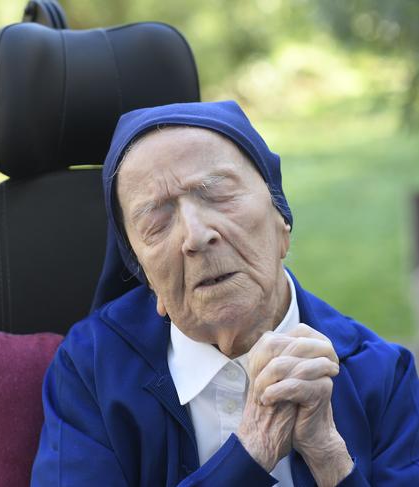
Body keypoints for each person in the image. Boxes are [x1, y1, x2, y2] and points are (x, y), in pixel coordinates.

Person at [31, 101, 419, 486]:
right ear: (144, 274)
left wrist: (330, 458)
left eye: (217, 194)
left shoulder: (381, 374)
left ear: (281, 219)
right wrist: (252, 448)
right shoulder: (92, 369)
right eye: (157, 220)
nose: (197, 236)